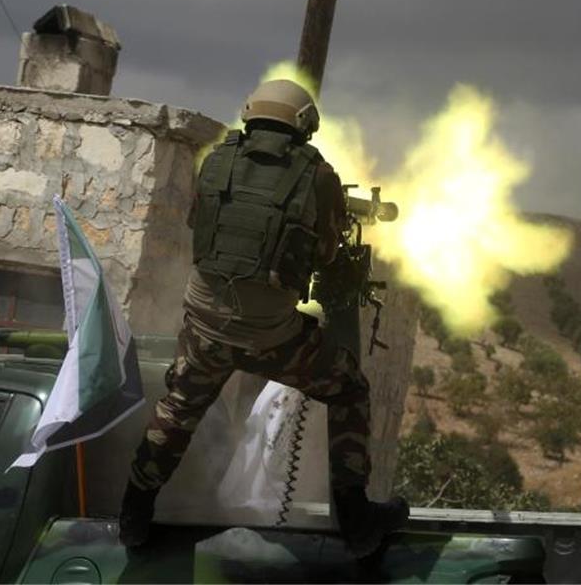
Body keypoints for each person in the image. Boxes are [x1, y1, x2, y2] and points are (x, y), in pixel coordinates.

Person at [119, 78, 408, 557]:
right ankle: (357, 519)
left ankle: (134, 512)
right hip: (271, 336)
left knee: (179, 407)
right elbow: (326, 254)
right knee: (349, 388)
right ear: (303, 124)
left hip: (206, 325)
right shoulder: (318, 175)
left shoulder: (215, 160)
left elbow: (202, 227)